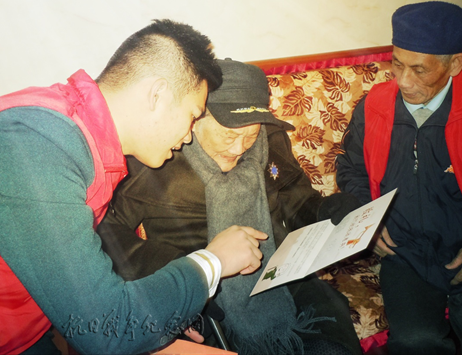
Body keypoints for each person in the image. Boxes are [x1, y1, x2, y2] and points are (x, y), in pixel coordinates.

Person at [0, 20, 267, 355]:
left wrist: (169, 306)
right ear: (157, 95)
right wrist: (213, 261)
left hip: (25, 329)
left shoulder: (94, 146)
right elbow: (105, 331)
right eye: (192, 115)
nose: (189, 136)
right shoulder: (34, 142)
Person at [97, 58, 364, 355]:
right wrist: (181, 271)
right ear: (196, 119)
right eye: (229, 135)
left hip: (280, 274)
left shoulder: (271, 139)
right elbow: (106, 232)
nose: (239, 149)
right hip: (202, 290)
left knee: (331, 344)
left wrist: (326, 211)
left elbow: (296, 199)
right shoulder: (156, 160)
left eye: (250, 136)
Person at [336, 1, 462, 355]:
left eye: (419, 70)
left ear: (454, 64)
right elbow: (351, 168)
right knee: (415, 343)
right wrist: (369, 220)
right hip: (406, 255)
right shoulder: (374, 105)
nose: (403, 81)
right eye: (397, 64)